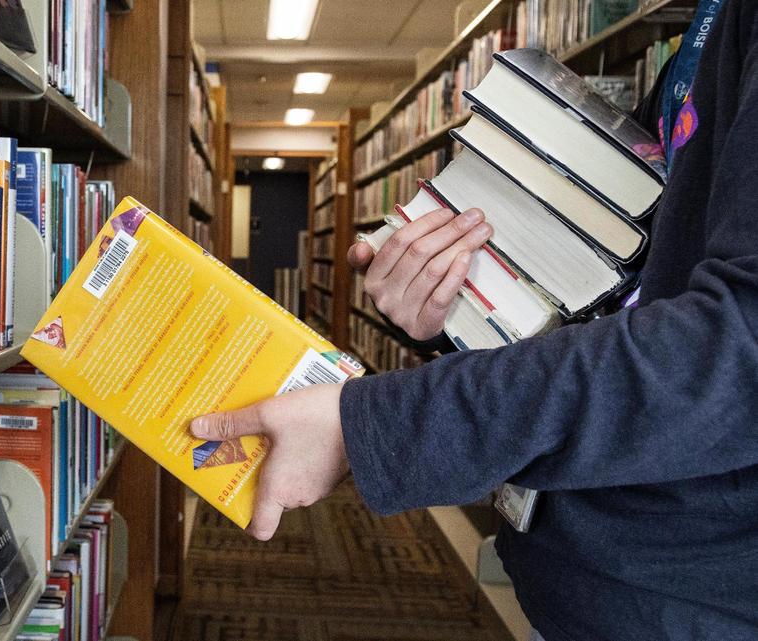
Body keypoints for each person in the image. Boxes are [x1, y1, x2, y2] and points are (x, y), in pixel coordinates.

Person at [190, 1, 758, 639]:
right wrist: (456, 310)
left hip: (699, 601)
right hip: (618, 578)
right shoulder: (710, 26)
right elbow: (630, 290)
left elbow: (735, 354)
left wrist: (370, 421)